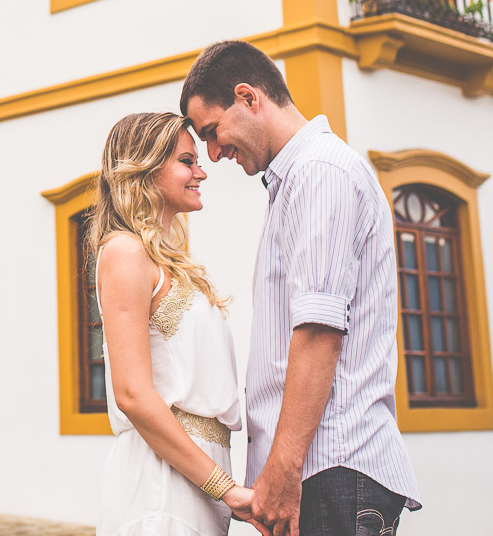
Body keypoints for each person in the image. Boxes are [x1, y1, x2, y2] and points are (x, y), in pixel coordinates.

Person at [181, 41, 422, 535]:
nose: (213, 153)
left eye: (212, 132)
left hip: (331, 469)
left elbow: (318, 331)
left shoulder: (319, 172)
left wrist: (283, 471)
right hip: (323, 473)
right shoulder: (297, 178)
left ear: (248, 97)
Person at [90, 112, 269, 536]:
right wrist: (224, 487)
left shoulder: (170, 260)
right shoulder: (124, 252)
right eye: (187, 161)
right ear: (146, 168)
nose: (202, 171)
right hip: (159, 486)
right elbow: (132, 394)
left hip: (193, 480)